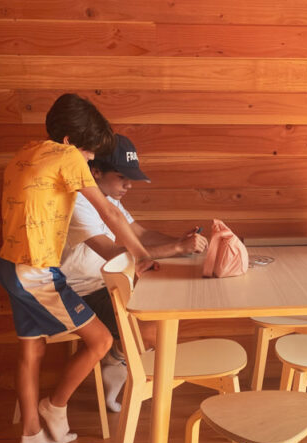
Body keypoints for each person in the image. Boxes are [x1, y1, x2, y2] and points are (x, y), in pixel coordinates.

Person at [0, 94, 156, 443]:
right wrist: (141, 255)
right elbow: (111, 214)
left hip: (9, 264)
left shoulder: (25, 152)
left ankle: (31, 434)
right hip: (35, 271)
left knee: (32, 348)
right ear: (69, 142)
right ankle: (54, 407)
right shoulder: (68, 157)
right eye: (88, 152)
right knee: (100, 340)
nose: (89, 160)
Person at [60, 134, 208, 411]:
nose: (129, 185)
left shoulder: (109, 199)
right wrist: (177, 248)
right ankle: (119, 363)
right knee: (154, 332)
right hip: (79, 292)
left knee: (165, 310)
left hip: (107, 284)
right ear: (96, 171)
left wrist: (181, 243)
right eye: (121, 177)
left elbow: (140, 235)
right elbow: (115, 253)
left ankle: (116, 359)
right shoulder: (77, 202)